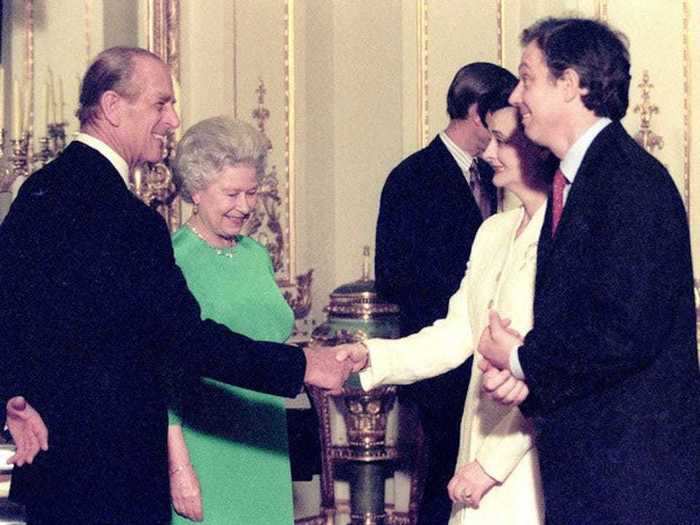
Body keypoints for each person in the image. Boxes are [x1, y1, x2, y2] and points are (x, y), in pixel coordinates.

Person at [0, 47, 349, 525]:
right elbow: (184, 341)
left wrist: (13, 397)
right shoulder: (131, 220)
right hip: (118, 477)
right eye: (160, 104)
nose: (173, 119)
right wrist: (301, 365)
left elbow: (9, 310)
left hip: (53, 468)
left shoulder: (36, 192)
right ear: (112, 107)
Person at [476, 17, 700, 524]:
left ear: (572, 84)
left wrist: (519, 358)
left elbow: (622, 333)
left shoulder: (629, 183)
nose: (516, 95)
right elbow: (580, 326)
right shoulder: (581, 181)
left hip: (631, 484)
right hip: (595, 475)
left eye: (528, 78)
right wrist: (528, 377)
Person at [332, 78, 556, 524]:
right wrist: (371, 357)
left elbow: (555, 373)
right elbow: (454, 336)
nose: (488, 152)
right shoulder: (492, 233)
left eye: (500, 141)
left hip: (531, 459)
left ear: (538, 149)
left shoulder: (565, 238)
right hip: (477, 439)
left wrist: (491, 466)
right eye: (489, 138)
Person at [373, 62, 516, 524]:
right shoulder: (411, 176)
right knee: (443, 486)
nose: (498, 145)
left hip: (492, 371)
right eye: (495, 125)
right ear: (478, 112)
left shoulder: (499, 184)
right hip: (442, 370)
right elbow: (394, 275)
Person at [165, 116, 297, 524]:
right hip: (206, 449)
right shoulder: (173, 260)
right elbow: (161, 373)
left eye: (252, 192)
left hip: (266, 441)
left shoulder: (256, 256)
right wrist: (179, 468)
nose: (245, 206)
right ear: (196, 191)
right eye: (232, 193)